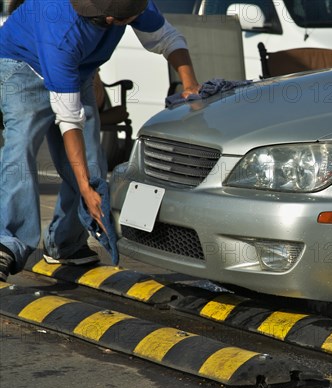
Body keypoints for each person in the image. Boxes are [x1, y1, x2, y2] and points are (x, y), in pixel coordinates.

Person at [0, 0, 201, 282]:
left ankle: (65, 243)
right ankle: (8, 243)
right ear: (108, 19)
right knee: (21, 146)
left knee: (92, 164)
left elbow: (168, 39)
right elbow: (69, 122)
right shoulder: (63, 32)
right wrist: (84, 188)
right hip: (21, 63)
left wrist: (189, 83)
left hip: (77, 69)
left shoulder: (134, 3)